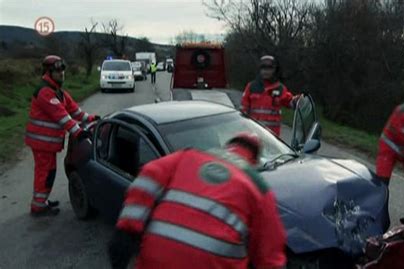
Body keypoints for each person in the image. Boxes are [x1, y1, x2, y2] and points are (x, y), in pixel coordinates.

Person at [108, 133, 287, 269]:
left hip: (157, 256)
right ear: (254, 160)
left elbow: (148, 177)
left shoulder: (188, 155)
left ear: (227, 147)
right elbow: (270, 256)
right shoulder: (259, 186)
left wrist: (127, 230)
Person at [25, 55, 99, 217]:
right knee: (45, 173)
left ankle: (42, 201)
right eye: (57, 71)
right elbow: (62, 116)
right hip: (41, 143)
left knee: (48, 172)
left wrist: (92, 118)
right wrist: (78, 132)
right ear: (48, 72)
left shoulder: (58, 92)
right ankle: (38, 207)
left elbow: (75, 111)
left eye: (62, 70)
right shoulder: (45, 92)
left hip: (47, 143)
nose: (61, 74)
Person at [241, 55, 300, 136]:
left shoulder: (280, 88)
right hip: (254, 133)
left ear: (274, 70)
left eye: (269, 68)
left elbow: (289, 102)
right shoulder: (251, 87)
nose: (266, 71)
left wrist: (298, 100)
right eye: (263, 68)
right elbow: (244, 110)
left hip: (272, 137)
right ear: (260, 70)